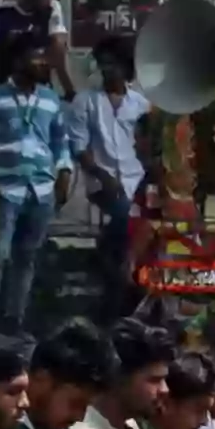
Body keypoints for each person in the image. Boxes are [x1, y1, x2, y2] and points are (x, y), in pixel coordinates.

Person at [0, 33, 70, 334]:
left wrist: (64, 174)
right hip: (5, 188)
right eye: (36, 56)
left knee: (27, 257)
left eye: (44, 57)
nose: (43, 62)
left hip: (42, 190)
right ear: (17, 61)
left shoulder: (51, 100)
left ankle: (14, 319)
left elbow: (61, 143)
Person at [75, 42, 153, 306]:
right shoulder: (85, 101)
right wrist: (101, 174)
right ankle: (105, 253)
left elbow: (148, 147)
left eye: (113, 63)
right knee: (125, 216)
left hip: (136, 180)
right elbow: (79, 147)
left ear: (126, 67)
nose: (108, 69)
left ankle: (120, 288)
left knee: (138, 227)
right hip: (102, 181)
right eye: (103, 63)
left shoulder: (141, 104)